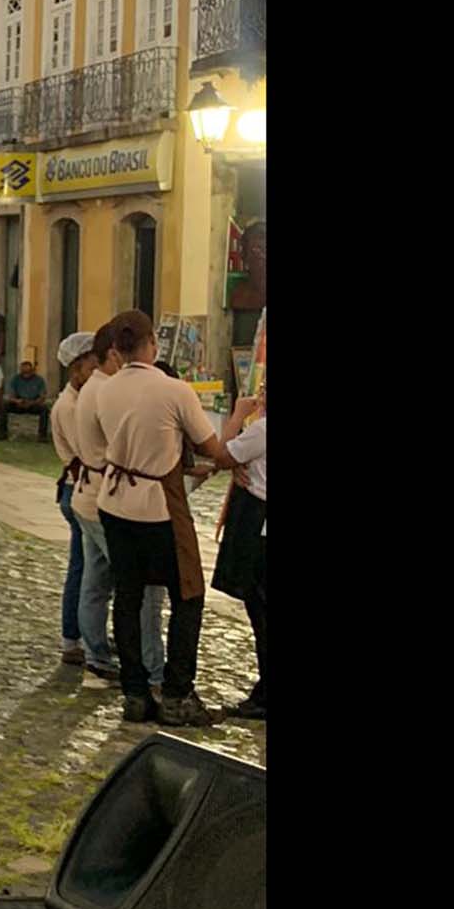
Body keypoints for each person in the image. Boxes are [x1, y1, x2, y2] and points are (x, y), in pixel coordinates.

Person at [92, 310, 240, 727]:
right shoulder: (173, 390)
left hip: (115, 502)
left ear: (117, 349)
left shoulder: (105, 388)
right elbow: (212, 447)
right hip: (158, 505)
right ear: (152, 343)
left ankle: (135, 692)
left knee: (128, 596)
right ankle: (176, 692)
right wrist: (236, 428)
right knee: (187, 594)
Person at [70, 325, 165, 692]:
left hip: (90, 494)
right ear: (113, 354)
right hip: (103, 498)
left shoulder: (92, 388)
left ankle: (97, 656)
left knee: (96, 581)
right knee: (137, 587)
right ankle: (147, 667)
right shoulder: (104, 390)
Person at [213, 391, 266, 719]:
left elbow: (221, 456)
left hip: (258, 522)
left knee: (260, 608)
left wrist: (236, 416)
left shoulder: (261, 430)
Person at [48, 332, 99, 666]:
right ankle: (73, 637)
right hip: (77, 488)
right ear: (77, 367)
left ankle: (85, 633)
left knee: (88, 568)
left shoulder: (81, 400)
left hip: (79, 486)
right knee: (83, 569)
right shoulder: (70, 406)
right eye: (92, 366)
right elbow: (86, 450)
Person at [0, 359, 50, 440]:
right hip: (19, 403)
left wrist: (32, 403)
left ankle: (42, 436)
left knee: (44, 409)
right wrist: (17, 401)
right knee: (4, 406)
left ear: (32, 371)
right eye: (24, 372)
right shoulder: (15, 379)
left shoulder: (39, 380)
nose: (26, 374)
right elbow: (10, 395)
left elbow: (42, 396)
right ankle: (2, 433)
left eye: (28, 372)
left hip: (33, 403)